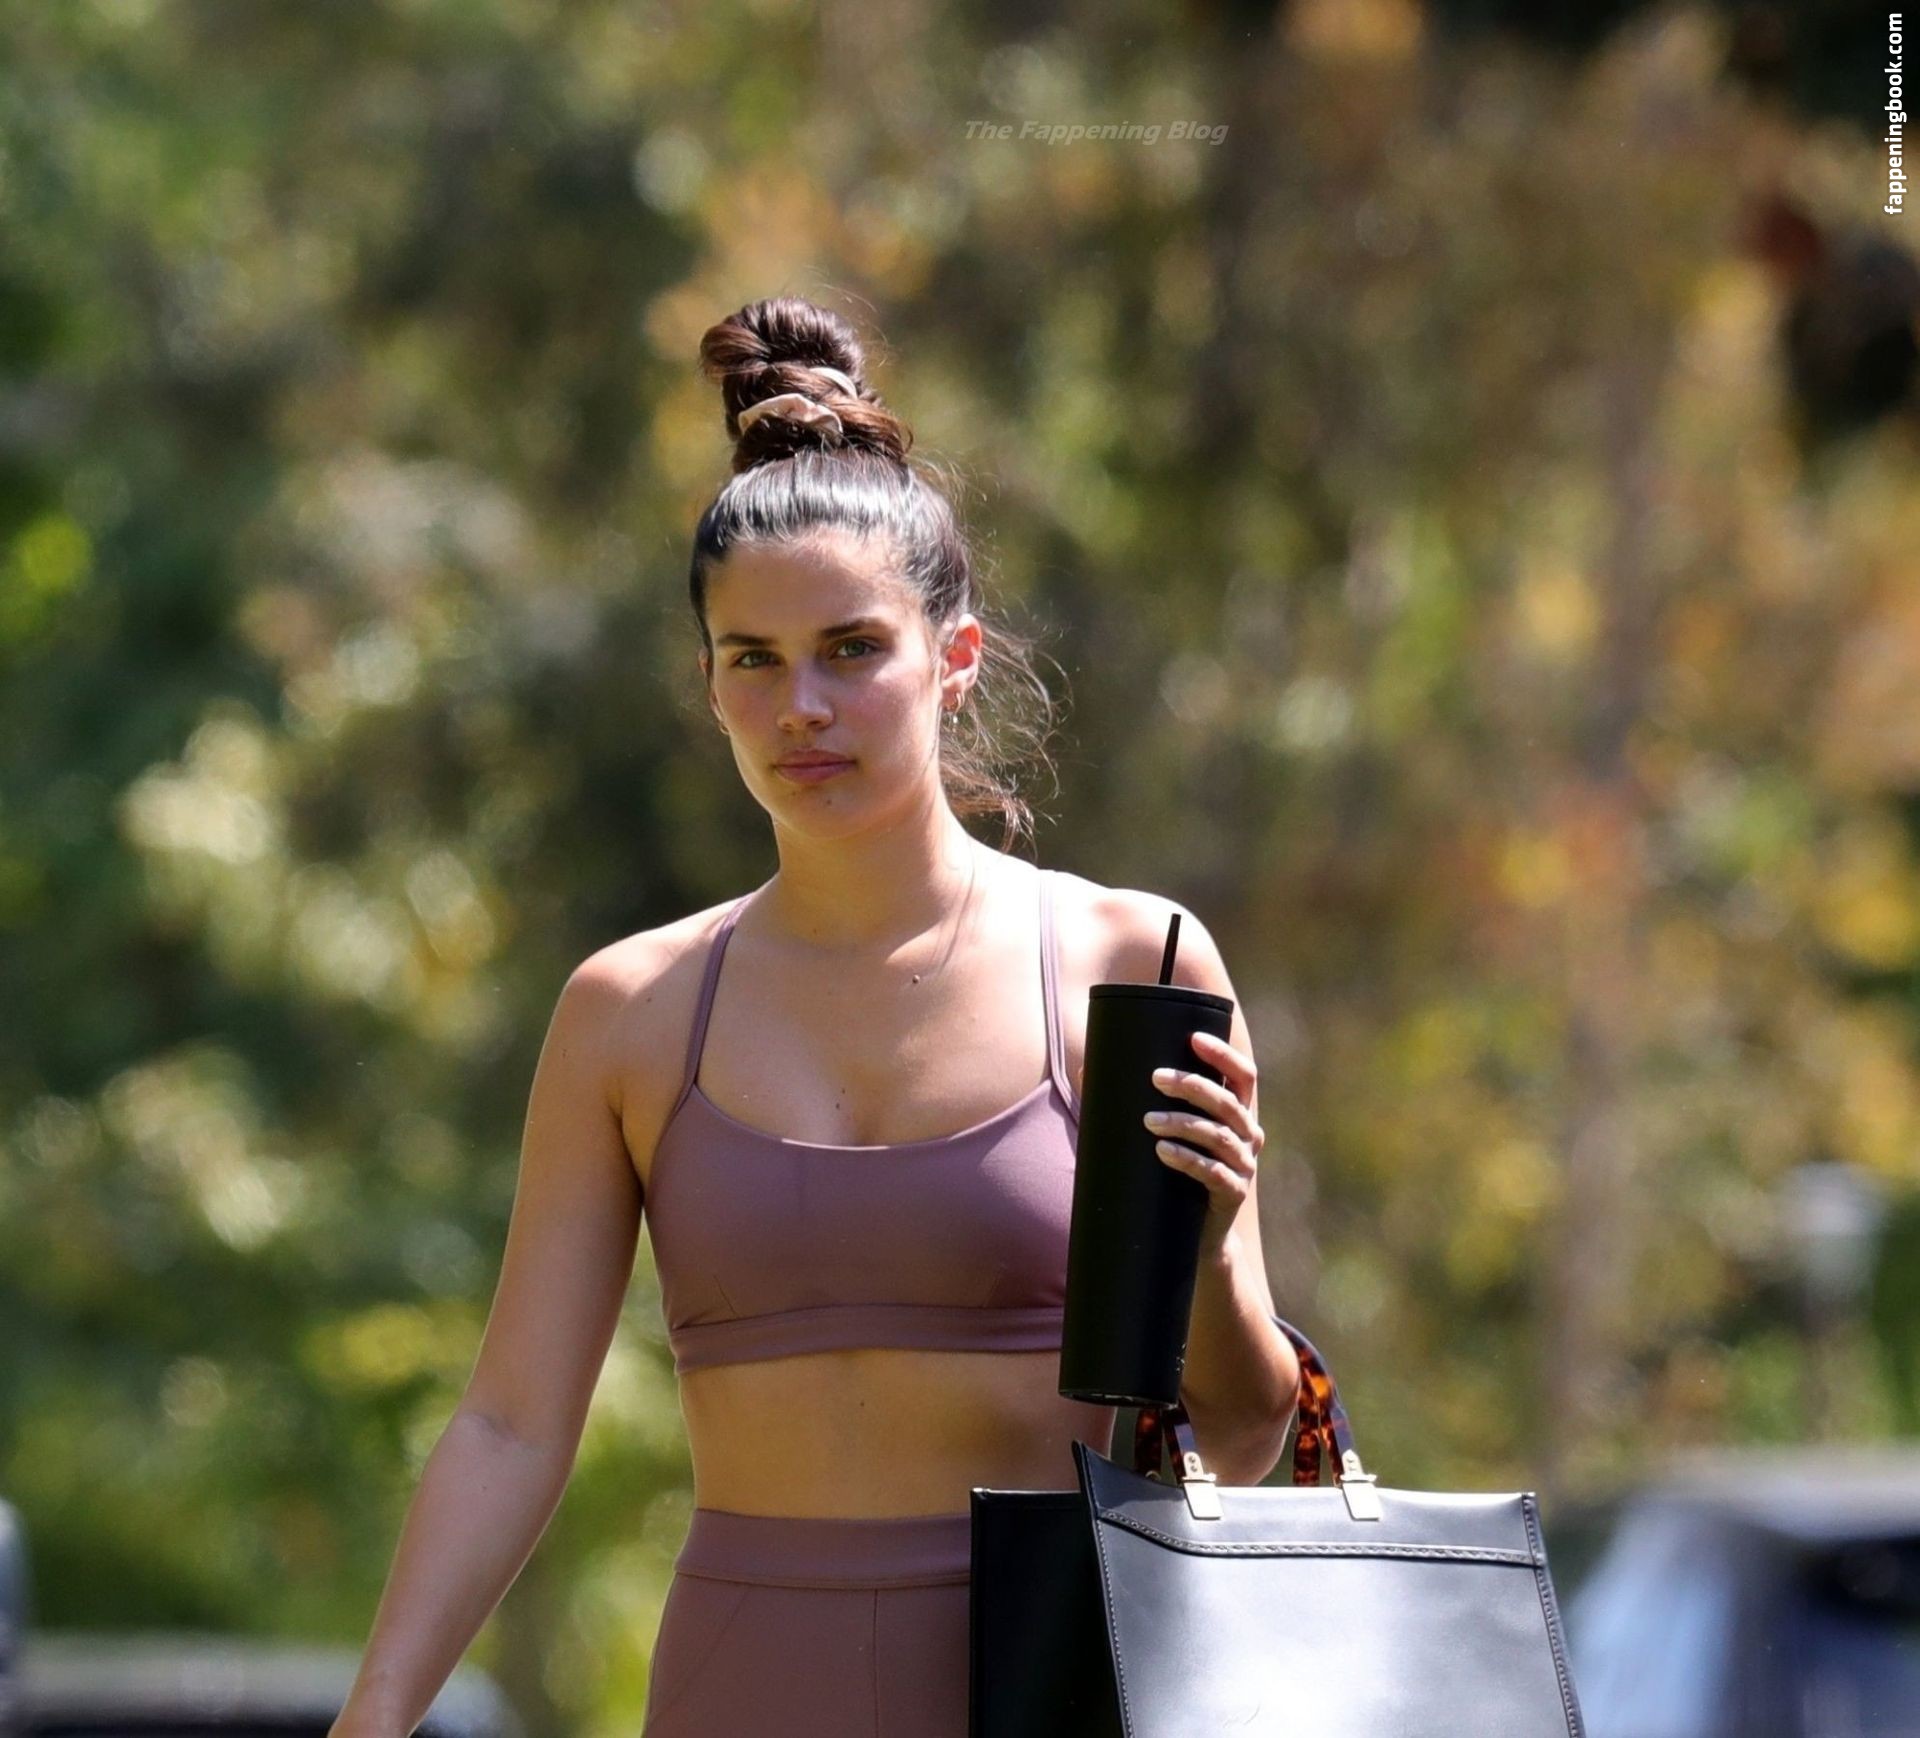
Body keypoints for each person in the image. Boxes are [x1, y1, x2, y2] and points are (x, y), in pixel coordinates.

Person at [330, 295, 1287, 1738]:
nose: (803, 708)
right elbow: (513, 1423)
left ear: (953, 655)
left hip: (1048, 1686)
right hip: (740, 1687)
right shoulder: (630, 1013)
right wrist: (374, 1714)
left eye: (851, 648)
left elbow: (1244, 1432)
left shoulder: (1125, 965)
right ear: (708, 682)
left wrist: (1206, 1249)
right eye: (754, 658)